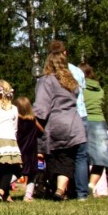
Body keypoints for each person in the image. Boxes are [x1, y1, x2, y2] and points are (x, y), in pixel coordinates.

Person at [33, 46, 87, 200]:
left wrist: (35, 122)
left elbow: (42, 106)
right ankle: (61, 189)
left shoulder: (47, 80)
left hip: (55, 123)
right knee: (68, 157)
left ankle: (52, 188)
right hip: (74, 123)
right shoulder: (72, 82)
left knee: (53, 157)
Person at [81, 63, 108, 194]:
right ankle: (91, 185)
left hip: (83, 119)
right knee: (100, 158)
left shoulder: (79, 88)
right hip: (99, 121)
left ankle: (80, 185)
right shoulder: (100, 90)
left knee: (80, 156)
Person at [14, 96, 40, 201]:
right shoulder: (33, 120)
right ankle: (28, 195)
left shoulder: (17, 121)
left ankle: (3, 187)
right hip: (31, 151)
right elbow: (42, 130)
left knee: (16, 172)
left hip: (19, 150)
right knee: (32, 174)